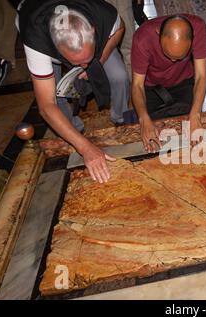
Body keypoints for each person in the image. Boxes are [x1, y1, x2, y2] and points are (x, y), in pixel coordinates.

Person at [17, 0, 131, 183]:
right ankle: (74, 131)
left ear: (93, 30)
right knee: (55, 95)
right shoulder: (37, 41)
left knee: (118, 75)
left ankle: (120, 118)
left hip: (95, 41)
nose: (84, 66)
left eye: (86, 59)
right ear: (55, 49)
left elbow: (120, 29)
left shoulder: (103, 13)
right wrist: (86, 148)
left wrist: (99, 61)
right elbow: (46, 106)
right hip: (33, 14)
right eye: (77, 62)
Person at [131, 14, 206, 152]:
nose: (172, 61)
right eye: (168, 55)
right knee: (153, 140)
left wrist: (195, 113)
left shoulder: (198, 27)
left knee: (193, 137)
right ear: (158, 33)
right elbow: (137, 85)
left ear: (193, 36)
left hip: (183, 81)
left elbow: (201, 76)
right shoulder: (142, 38)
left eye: (179, 57)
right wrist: (143, 119)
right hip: (151, 87)